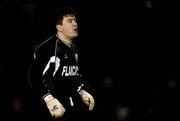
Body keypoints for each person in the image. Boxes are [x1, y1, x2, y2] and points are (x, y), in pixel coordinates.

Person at [28, 7, 95, 120]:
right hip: (51, 109)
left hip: (70, 108)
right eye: (70, 21)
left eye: (75, 21)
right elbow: (34, 77)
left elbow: (74, 74)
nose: (75, 24)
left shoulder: (73, 48)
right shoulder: (47, 48)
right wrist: (49, 99)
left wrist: (81, 91)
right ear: (59, 27)